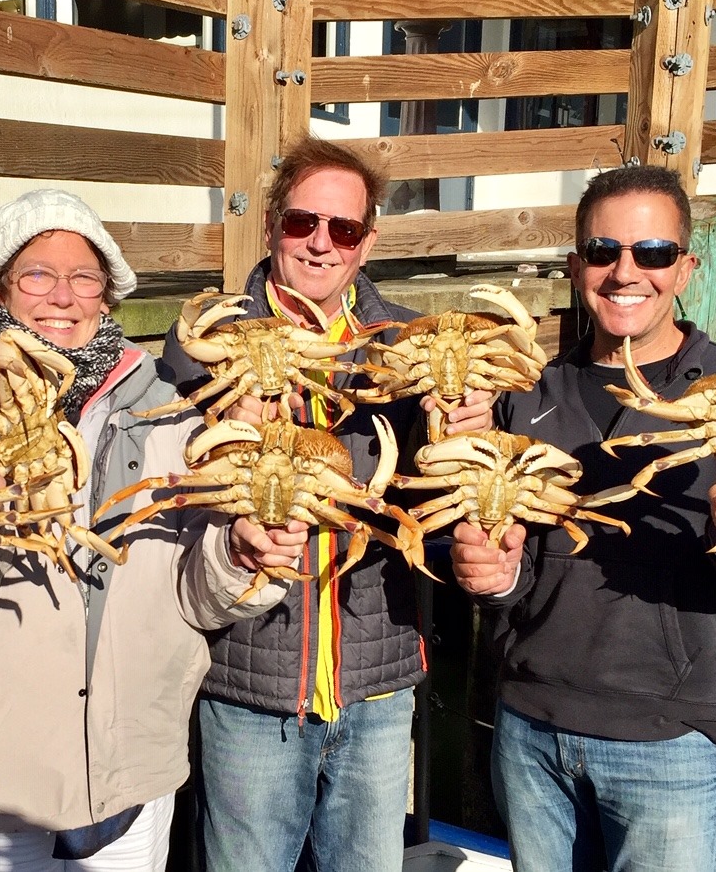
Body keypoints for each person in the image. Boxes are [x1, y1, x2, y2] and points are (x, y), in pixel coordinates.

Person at [0, 187, 303, 871]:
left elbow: (196, 597)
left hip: (129, 771)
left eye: (84, 277)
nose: (62, 297)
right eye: (37, 275)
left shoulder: (169, 410)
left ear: (108, 297)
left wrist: (239, 555)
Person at [449, 165, 716, 871]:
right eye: (603, 251)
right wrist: (489, 575)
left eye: (652, 253)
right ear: (576, 266)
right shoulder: (525, 396)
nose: (626, 272)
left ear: (685, 268)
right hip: (531, 729)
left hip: (673, 743)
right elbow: (493, 553)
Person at [158, 137, 486, 872]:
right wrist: (229, 427)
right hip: (249, 688)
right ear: (272, 223)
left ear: (366, 241)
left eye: (341, 229)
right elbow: (171, 492)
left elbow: (446, 495)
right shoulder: (204, 343)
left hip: (376, 687)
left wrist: (468, 424)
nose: (319, 243)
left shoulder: (407, 345)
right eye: (303, 222)